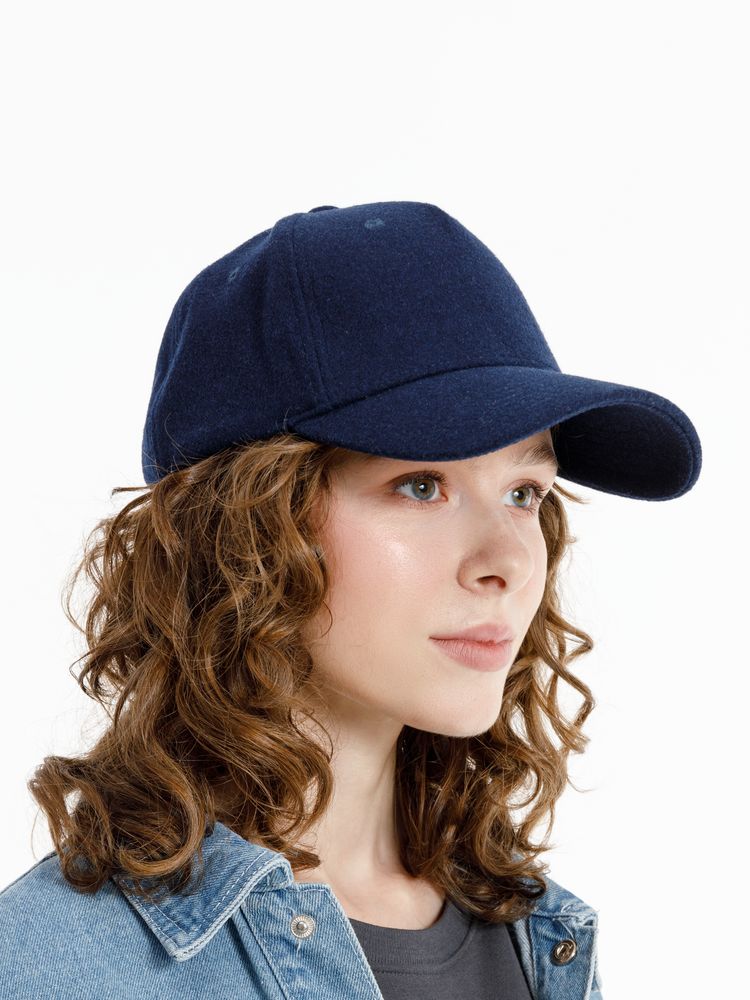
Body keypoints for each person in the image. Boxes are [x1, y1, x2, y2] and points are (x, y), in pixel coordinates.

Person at [0, 201, 702, 999]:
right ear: (242, 531)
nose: (507, 562)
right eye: (421, 485)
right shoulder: (48, 967)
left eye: (523, 491)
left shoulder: (536, 937)